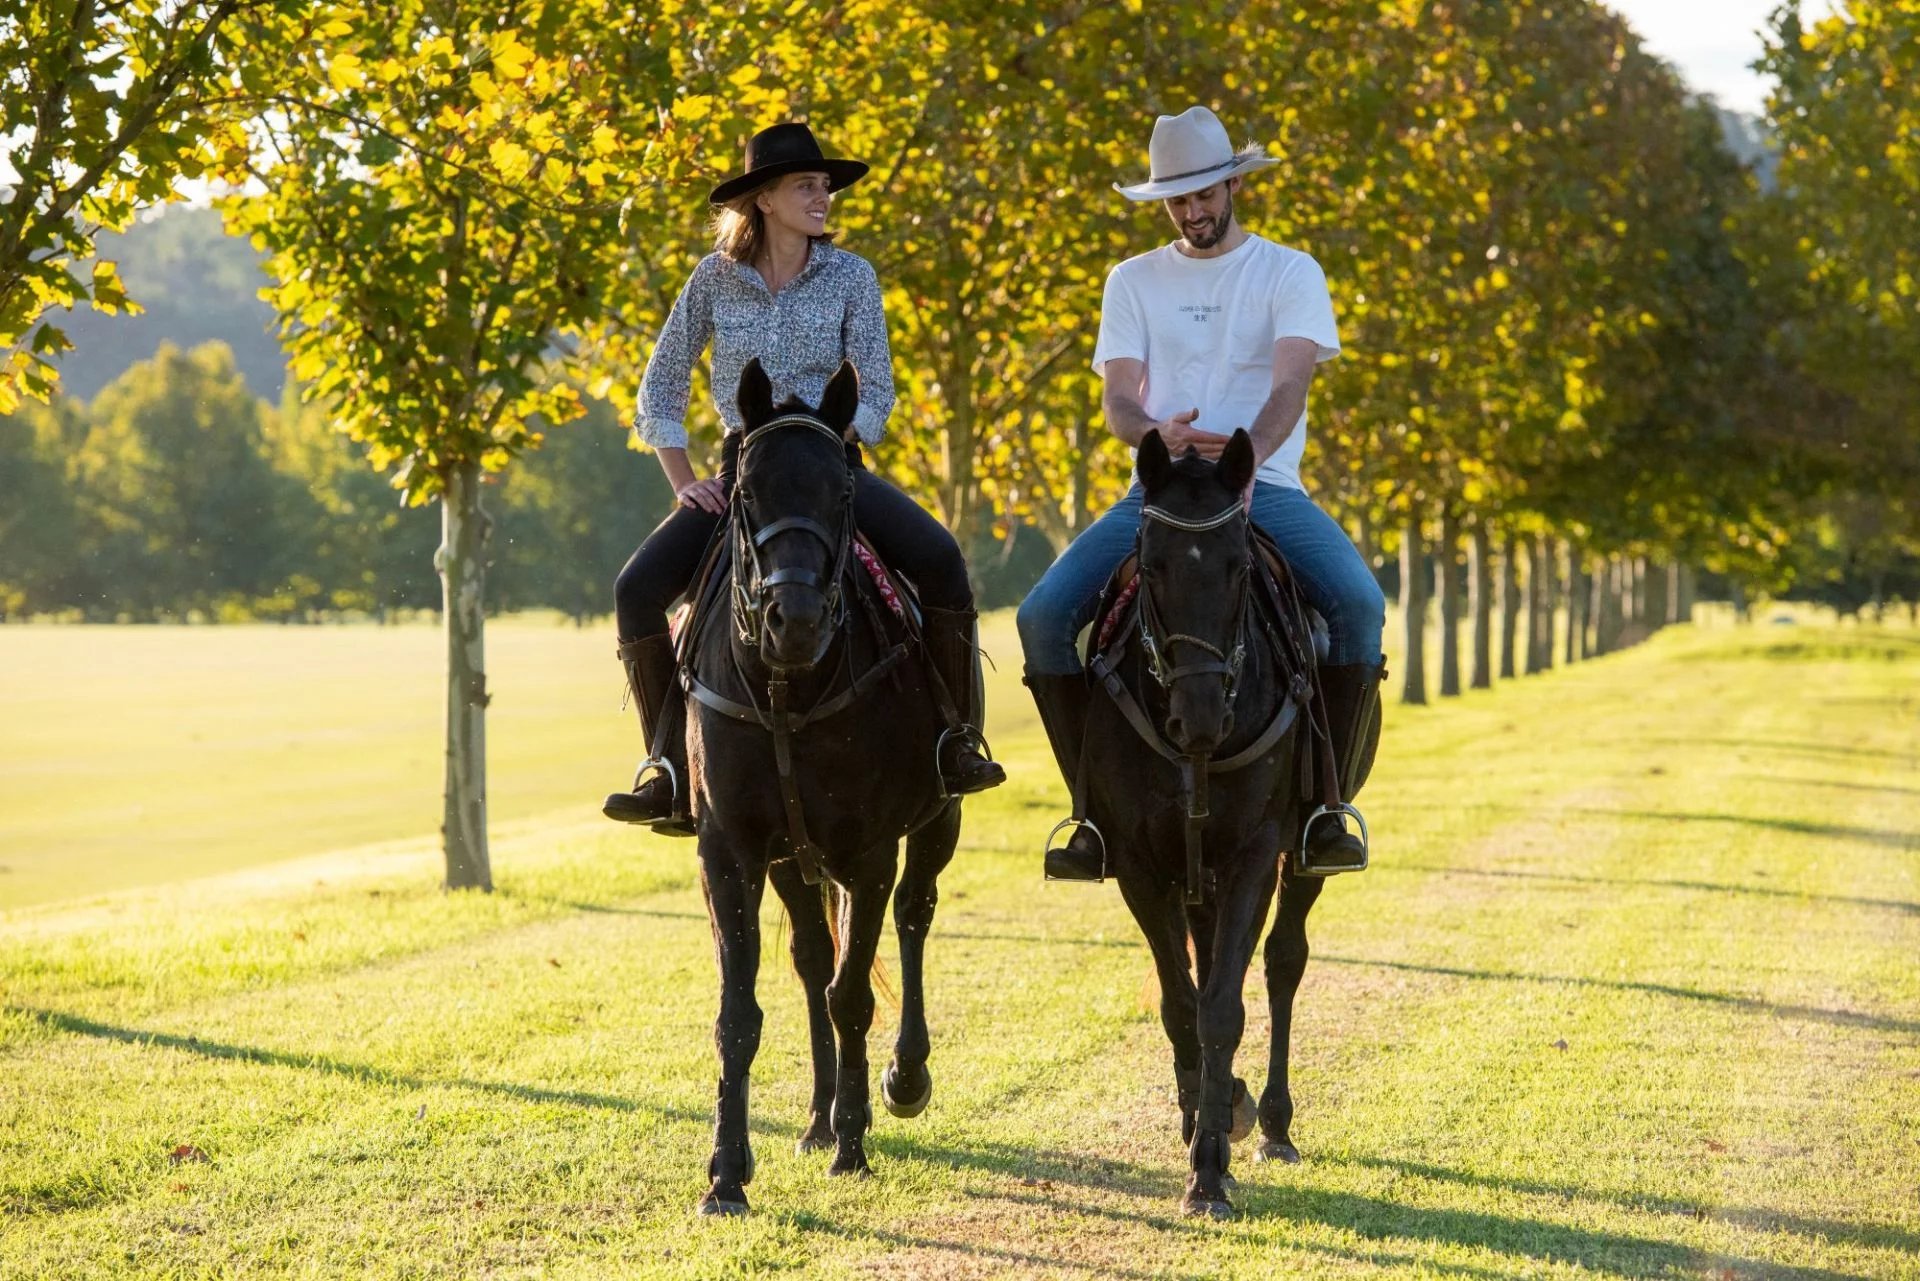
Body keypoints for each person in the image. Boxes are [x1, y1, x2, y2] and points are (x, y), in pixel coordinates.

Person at [1017, 105, 1387, 879]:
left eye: (1205, 194)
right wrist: (1154, 433)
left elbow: (1289, 382)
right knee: (1043, 615)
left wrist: (1249, 455)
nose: (1193, 211)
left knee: (1359, 606)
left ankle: (1326, 807)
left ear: (1233, 186)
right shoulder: (1132, 280)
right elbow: (1118, 401)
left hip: (1265, 487)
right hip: (1157, 495)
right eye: (1178, 199)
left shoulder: (1289, 271)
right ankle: (1093, 813)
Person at [605, 122, 1002, 832]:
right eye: (806, 186)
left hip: (828, 467)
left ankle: (954, 741)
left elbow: (875, 391)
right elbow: (659, 389)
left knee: (942, 560)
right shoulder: (713, 278)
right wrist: (684, 481)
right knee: (635, 589)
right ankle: (667, 766)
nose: (823, 198)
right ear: (763, 199)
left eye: (824, 186)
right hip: (743, 473)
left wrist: (822, 438)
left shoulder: (853, 275)